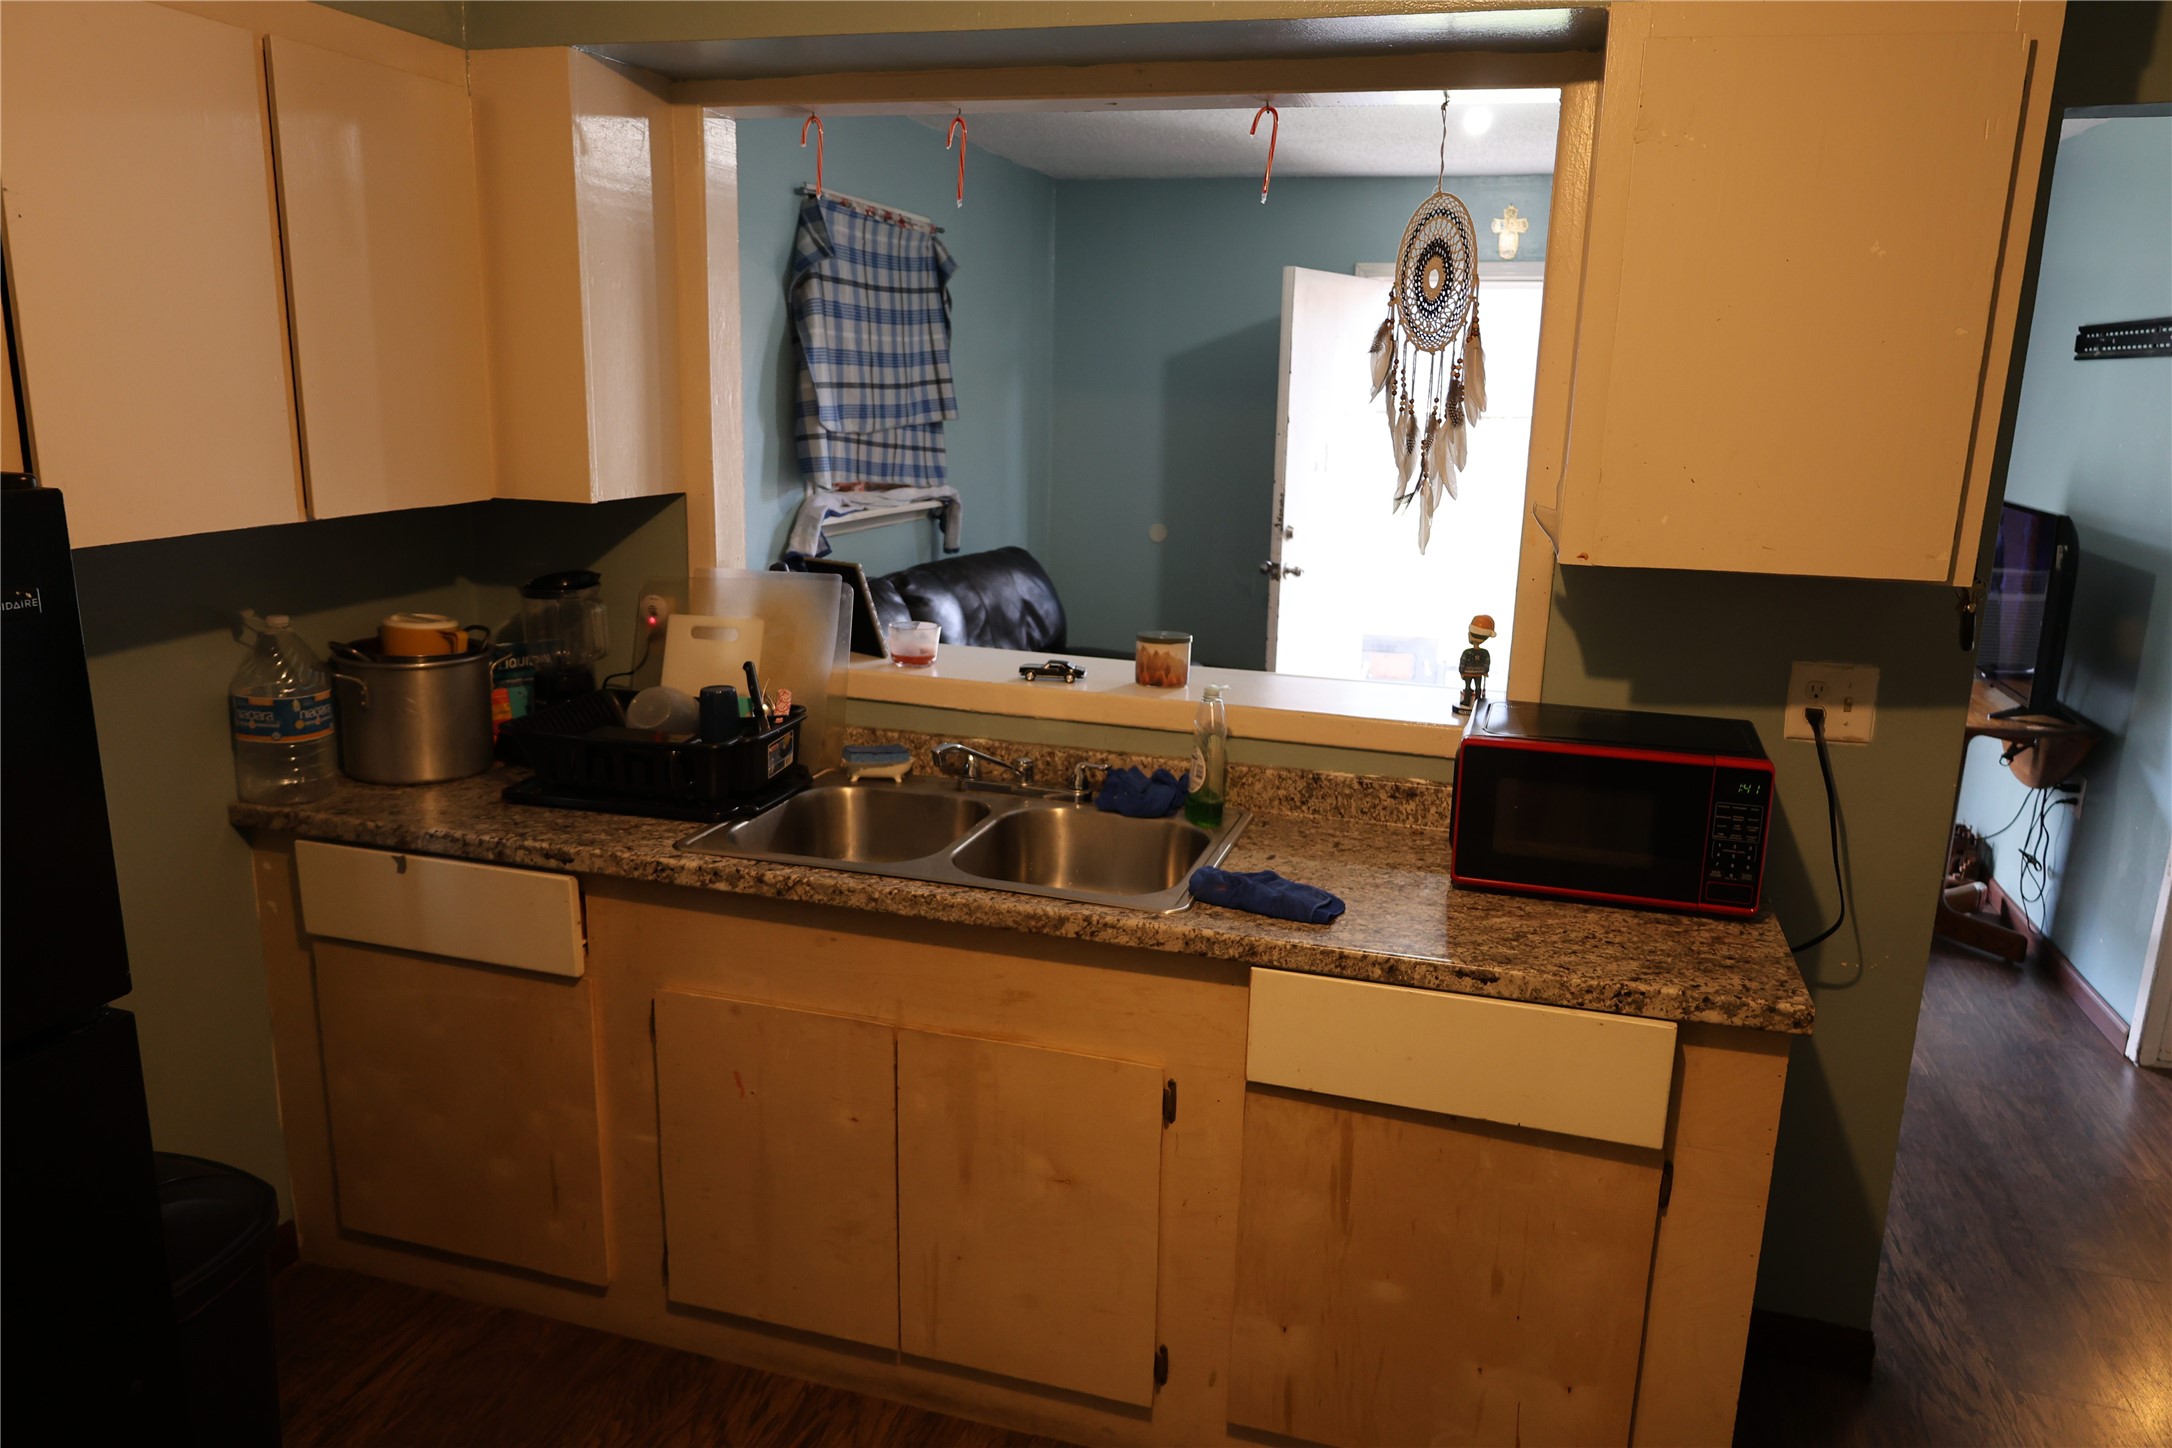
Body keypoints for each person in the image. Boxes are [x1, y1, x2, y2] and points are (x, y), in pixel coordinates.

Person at [1456, 614, 1496, 713]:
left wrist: (1461, 672)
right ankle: (1478, 701)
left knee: (1468, 687)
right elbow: (1487, 662)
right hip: (1479, 673)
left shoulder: (1467, 652)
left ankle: (1467, 701)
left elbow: (1463, 662)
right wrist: (1485, 671)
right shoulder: (1484, 653)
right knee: (1478, 687)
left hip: (1468, 673)